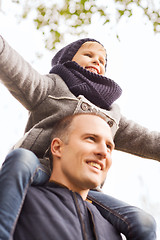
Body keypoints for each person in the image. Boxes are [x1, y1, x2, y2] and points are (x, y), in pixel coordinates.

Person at [0, 35, 157, 240]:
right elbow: (15, 68)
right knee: (20, 159)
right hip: (39, 167)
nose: (97, 61)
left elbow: (147, 140)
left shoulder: (111, 115)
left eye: (102, 61)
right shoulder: (51, 88)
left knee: (143, 221)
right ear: (68, 60)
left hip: (86, 187)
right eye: (89, 54)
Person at [13, 113, 123, 239]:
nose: (104, 152)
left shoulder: (113, 230)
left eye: (109, 147)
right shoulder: (20, 200)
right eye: (91, 139)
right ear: (58, 147)